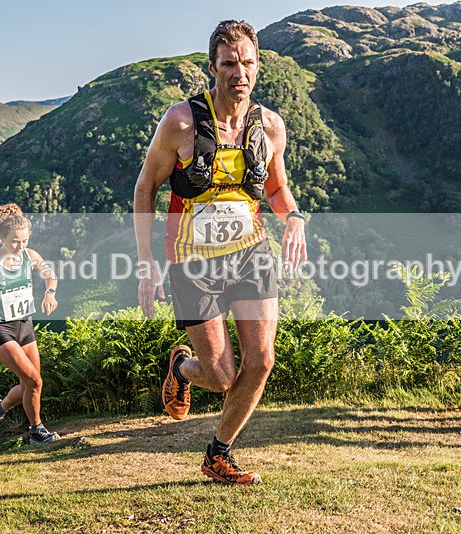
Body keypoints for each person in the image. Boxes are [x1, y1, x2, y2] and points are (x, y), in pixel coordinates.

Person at [134, 20, 307, 485]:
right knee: (224, 375)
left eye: (247, 63)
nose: (239, 73)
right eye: (229, 64)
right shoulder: (181, 122)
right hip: (192, 263)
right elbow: (146, 186)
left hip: (251, 254)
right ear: (212, 67)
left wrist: (294, 218)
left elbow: (277, 189)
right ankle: (182, 368)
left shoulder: (270, 126)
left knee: (263, 360)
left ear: (258, 66)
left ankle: (218, 453)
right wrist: (146, 262)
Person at [0, 203, 61, 444]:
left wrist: (50, 293)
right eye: (15, 241)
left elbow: (51, 275)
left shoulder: (30, 256)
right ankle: (36, 431)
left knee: (30, 382)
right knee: (34, 381)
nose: (21, 246)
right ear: (1, 237)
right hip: (1, 329)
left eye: (25, 240)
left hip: (25, 326)